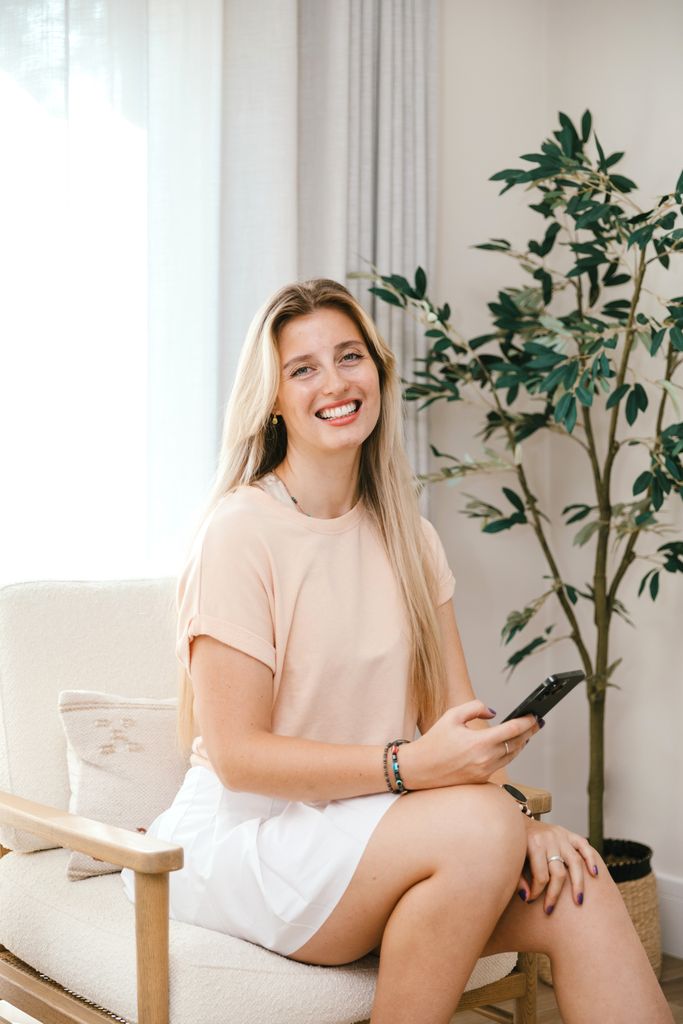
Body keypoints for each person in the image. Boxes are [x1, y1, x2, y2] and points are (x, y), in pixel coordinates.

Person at [122, 279, 672, 1024]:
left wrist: (525, 822)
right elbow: (238, 757)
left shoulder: (411, 540)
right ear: (273, 399)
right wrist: (407, 769)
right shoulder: (239, 533)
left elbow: (457, 722)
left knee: (579, 882)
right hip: (248, 839)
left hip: (373, 832)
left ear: (377, 372)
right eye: (303, 367)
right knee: (481, 827)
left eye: (350, 357)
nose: (336, 381)